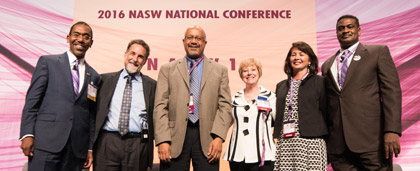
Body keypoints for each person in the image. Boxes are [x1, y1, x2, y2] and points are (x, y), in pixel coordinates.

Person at [321, 14, 402, 170]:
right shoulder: (327, 65)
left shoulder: (377, 52)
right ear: (336, 33)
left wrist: (392, 131)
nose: (345, 30)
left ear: (359, 31)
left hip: (372, 141)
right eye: (341, 28)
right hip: (339, 147)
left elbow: (392, 92)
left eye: (350, 27)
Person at [19, 21, 100, 170]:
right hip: (46, 144)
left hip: (76, 150)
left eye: (86, 37)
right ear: (68, 38)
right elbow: (31, 102)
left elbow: (90, 116)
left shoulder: (94, 76)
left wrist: (89, 148)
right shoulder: (47, 63)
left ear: (91, 43)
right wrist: (27, 134)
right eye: (76, 35)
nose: (81, 39)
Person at [153, 25, 232, 171]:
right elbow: (160, 106)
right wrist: (162, 140)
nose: (194, 41)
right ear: (183, 41)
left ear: (205, 43)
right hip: (173, 139)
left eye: (198, 38)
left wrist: (219, 138)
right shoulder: (167, 69)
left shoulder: (220, 70)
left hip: (208, 139)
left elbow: (226, 106)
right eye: (190, 37)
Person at [93, 39, 156, 170]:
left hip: (137, 145)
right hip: (107, 143)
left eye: (140, 56)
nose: (135, 59)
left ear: (145, 61)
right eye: (132, 53)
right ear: (125, 54)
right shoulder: (103, 80)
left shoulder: (152, 85)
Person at [273, 41, 328, 171]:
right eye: (293, 55)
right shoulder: (281, 85)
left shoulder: (320, 82)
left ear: (310, 60)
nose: (297, 57)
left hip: (311, 143)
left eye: (301, 54)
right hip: (285, 143)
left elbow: (327, 112)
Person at [223, 58, 276, 171]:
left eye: (253, 69)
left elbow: (279, 123)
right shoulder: (234, 99)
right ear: (241, 75)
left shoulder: (270, 97)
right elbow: (224, 123)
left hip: (263, 155)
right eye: (245, 70)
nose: (249, 73)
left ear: (259, 73)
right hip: (237, 154)